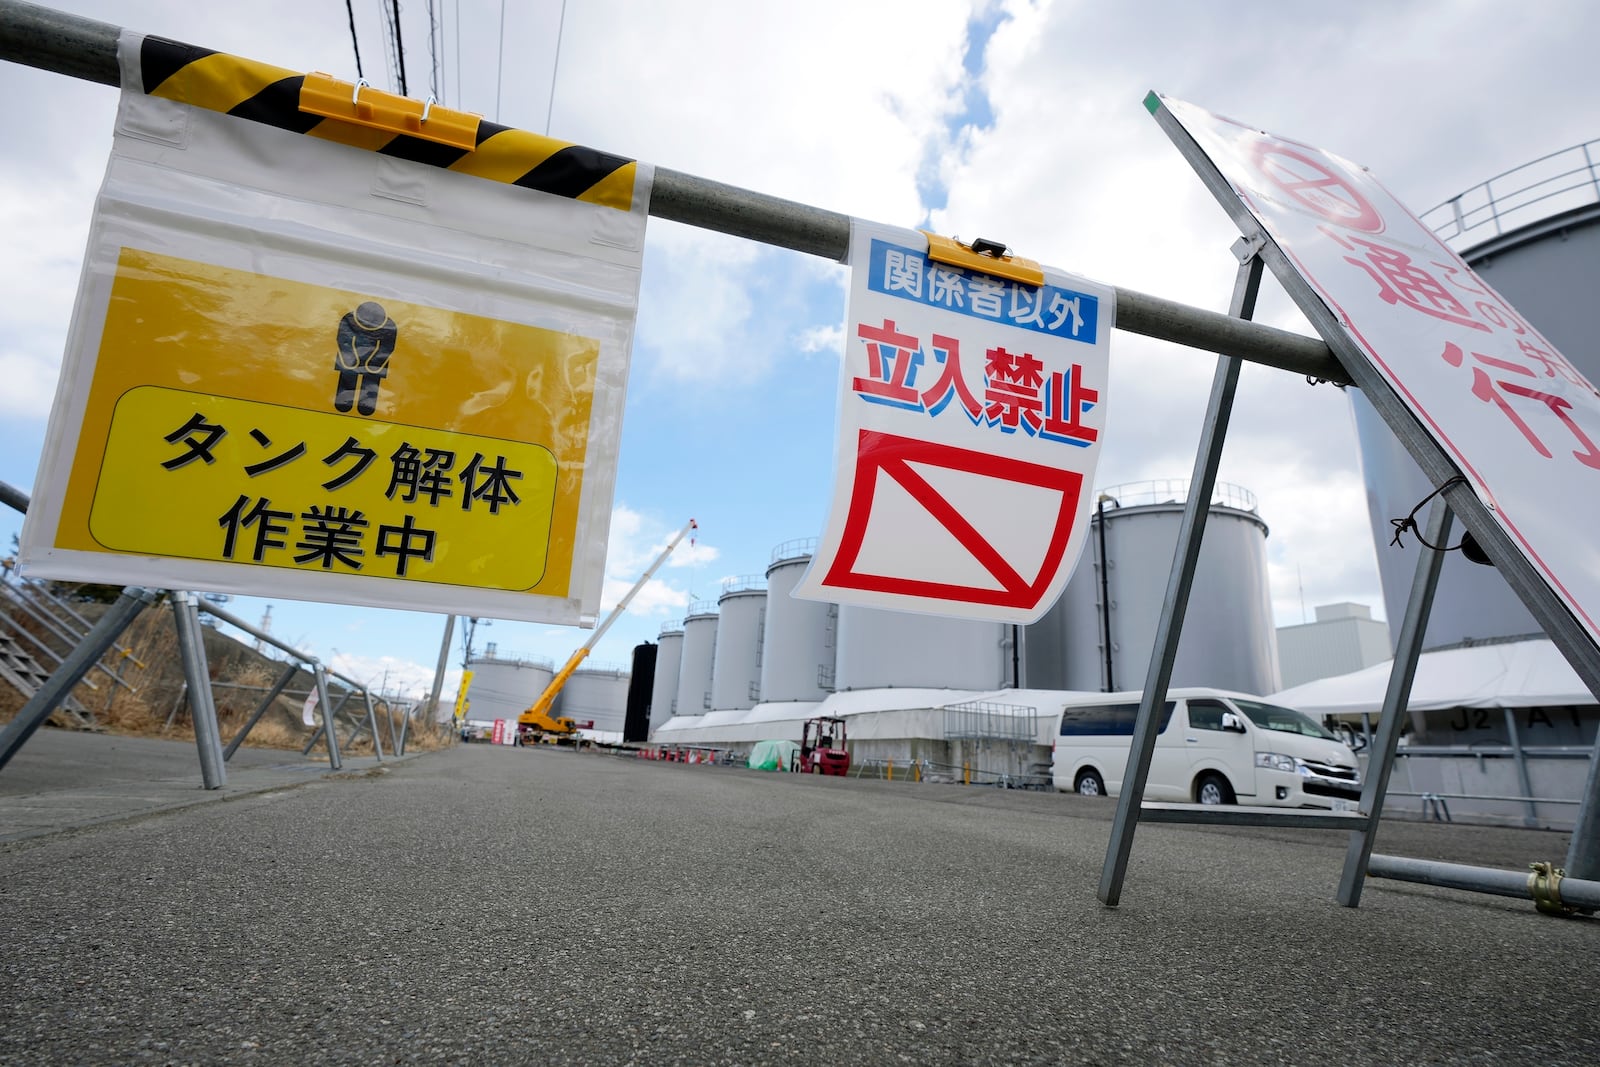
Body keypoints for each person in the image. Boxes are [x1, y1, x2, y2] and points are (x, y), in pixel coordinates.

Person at [334, 301, 398, 415]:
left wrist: (373, 364)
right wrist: (350, 360)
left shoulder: (389, 325)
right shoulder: (349, 319)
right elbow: (343, 340)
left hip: (375, 363)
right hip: (350, 360)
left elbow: (387, 348)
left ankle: (366, 409)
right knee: (347, 383)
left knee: (370, 387)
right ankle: (342, 406)